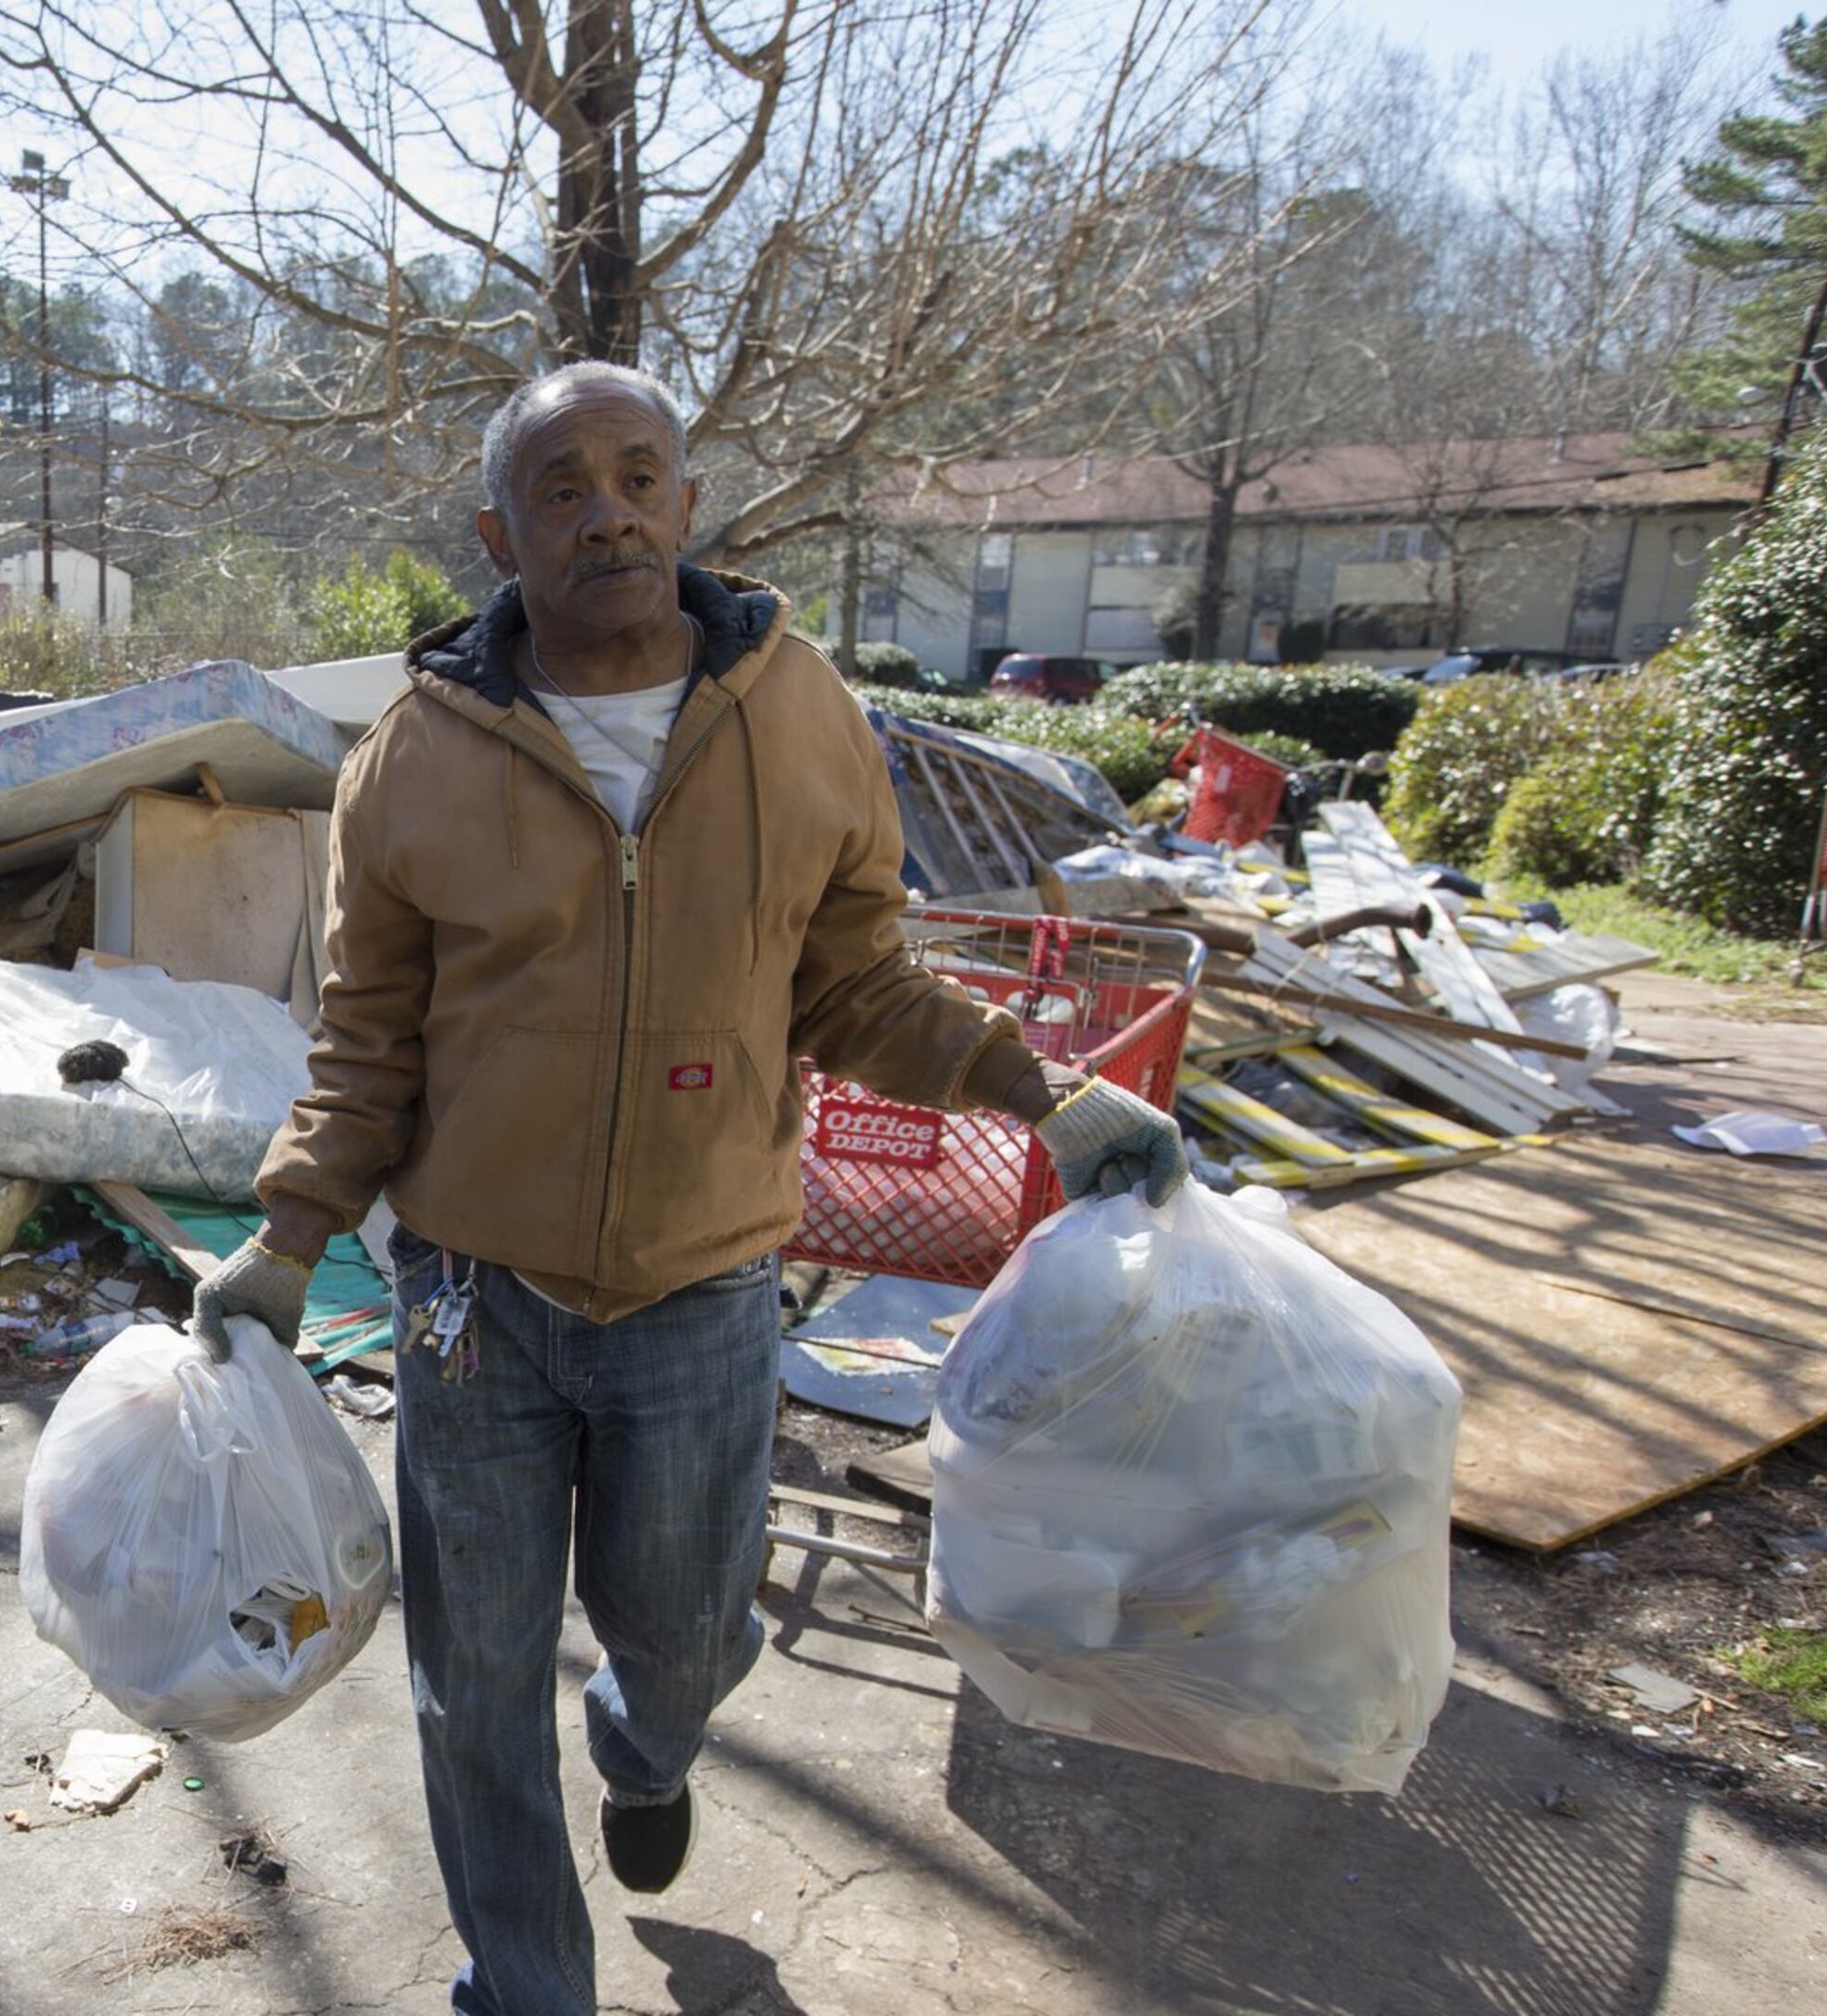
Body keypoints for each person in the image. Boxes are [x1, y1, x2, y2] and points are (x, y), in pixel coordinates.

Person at [188, 360, 1183, 2016]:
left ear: (692, 507)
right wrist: (290, 1239)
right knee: (472, 1683)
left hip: (704, 1289)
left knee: (694, 1634)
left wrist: (1043, 1093)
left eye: (640, 476)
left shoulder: (803, 725)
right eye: (563, 489)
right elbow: (366, 1043)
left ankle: (648, 1749)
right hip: (469, 1307)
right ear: (503, 536)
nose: (610, 514)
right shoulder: (415, 762)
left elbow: (861, 987)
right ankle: (527, 1982)